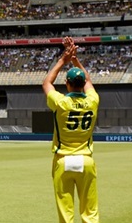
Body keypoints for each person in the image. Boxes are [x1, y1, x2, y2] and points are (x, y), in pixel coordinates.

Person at [42, 37, 100, 223]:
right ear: (83, 85)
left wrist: (63, 60)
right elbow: (89, 80)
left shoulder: (61, 103)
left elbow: (47, 84)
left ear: (67, 83)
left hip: (63, 160)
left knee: (66, 214)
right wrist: (75, 59)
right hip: (86, 160)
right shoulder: (93, 101)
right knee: (90, 212)